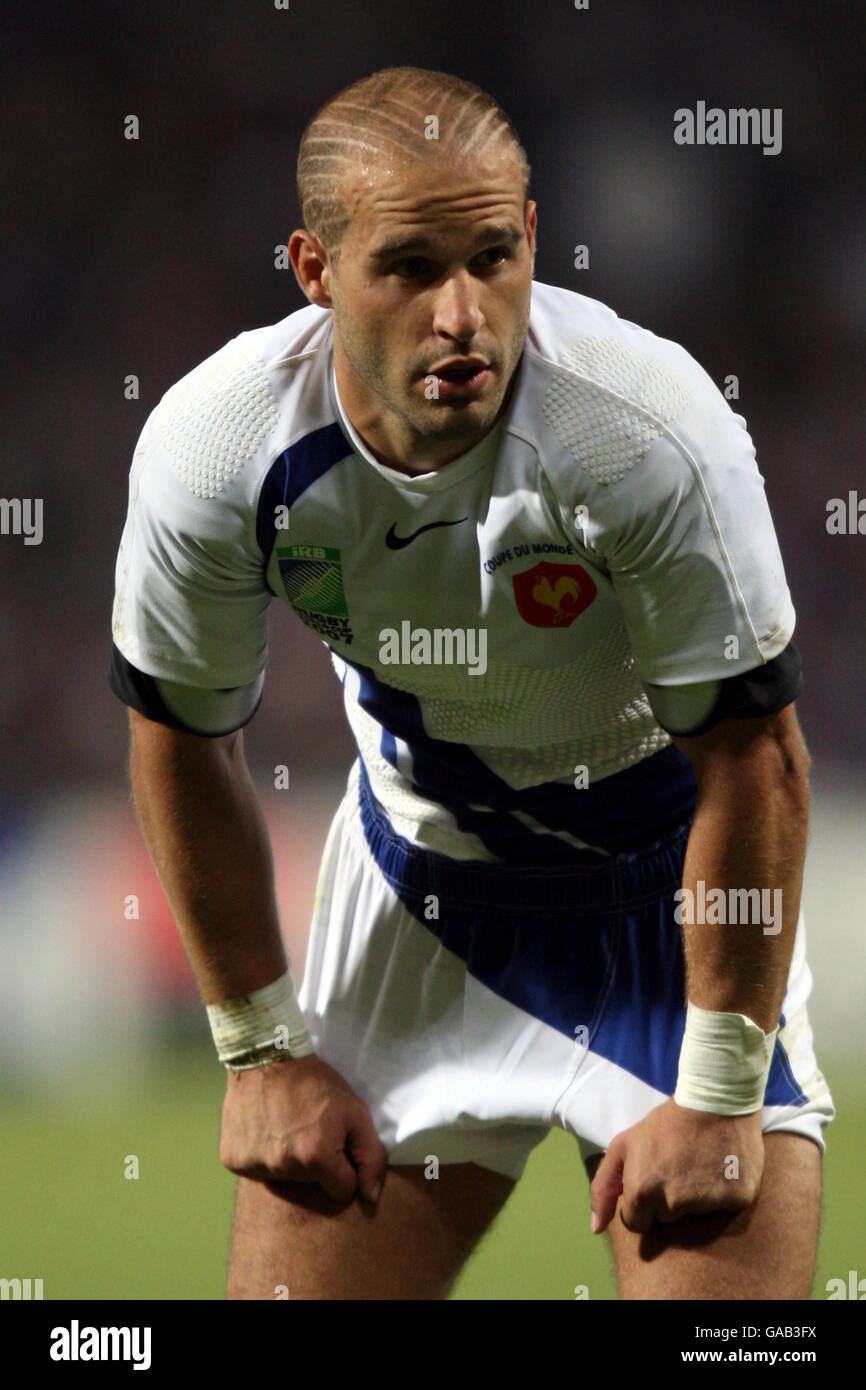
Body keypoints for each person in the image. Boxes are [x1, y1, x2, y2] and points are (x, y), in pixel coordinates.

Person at [109, 65, 834, 1300]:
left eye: (493, 257)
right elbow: (181, 738)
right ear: (314, 268)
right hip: (415, 908)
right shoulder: (219, 445)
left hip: (671, 916)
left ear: (533, 238)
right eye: (407, 268)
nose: (462, 315)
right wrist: (261, 1052)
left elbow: (754, 761)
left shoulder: (639, 429)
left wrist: (716, 1092)